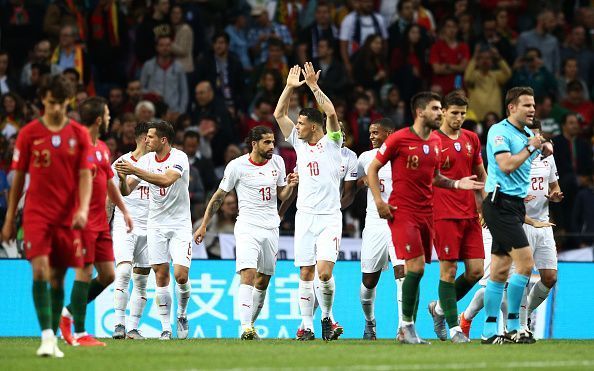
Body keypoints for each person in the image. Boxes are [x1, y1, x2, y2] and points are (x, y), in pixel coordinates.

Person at [366, 91, 483, 344]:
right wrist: (379, 201)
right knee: (415, 268)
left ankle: (409, 328)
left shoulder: (435, 142)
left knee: (417, 272)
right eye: (436, 108)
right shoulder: (399, 139)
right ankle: (407, 327)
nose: (440, 113)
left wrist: (457, 184)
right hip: (403, 212)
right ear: (420, 112)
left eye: (441, 109)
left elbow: (436, 178)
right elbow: (372, 168)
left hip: (427, 213)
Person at [1, 75, 92, 357]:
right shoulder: (29, 133)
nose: (55, 109)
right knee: (39, 269)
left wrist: (83, 208)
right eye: (50, 103)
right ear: (43, 100)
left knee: (57, 278)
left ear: (69, 102)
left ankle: (52, 337)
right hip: (36, 213)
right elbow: (17, 180)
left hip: (67, 216)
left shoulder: (79, 134)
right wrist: (9, 218)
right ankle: (47, 337)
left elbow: (85, 174)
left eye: (61, 104)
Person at [194, 126, 298, 339]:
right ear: (254, 144)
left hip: (270, 227)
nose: (271, 146)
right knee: (248, 274)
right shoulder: (237, 166)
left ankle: (250, 323)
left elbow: (282, 194)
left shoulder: (277, 162)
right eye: (267, 142)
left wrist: (291, 186)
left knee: (263, 280)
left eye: (272, 142)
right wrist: (204, 224)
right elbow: (218, 197)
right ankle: (245, 327)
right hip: (247, 227)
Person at [273, 63, 343, 341]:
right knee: (306, 271)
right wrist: (290, 87)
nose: (296, 127)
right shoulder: (299, 144)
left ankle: (326, 317)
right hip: (304, 217)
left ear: (314, 126)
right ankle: (307, 326)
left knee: (324, 273)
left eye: (300, 123)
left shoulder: (333, 142)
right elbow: (279, 113)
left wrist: (313, 85)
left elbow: (332, 113)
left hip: (329, 218)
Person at [480, 86, 553, 344]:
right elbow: (506, 165)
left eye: (533, 105)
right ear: (512, 107)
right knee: (525, 263)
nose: (533, 109)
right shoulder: (499, 131)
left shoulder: (524, 133)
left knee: (500, 271)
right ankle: (513, 326)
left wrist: (543, 146)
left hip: (514, 206)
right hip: (499, 204)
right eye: (527, 105)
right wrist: (533, 146)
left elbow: (537, 146)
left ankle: (489, 332)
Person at [60, 97, 133, 347]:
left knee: (108, 275)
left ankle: (67, 313)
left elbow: (109, 181)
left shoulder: (101, 147)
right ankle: (79, 334)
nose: (111, 118)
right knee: (84, 271)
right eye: (108, 114)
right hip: (81, 222)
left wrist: (123, 210)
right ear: (99, 119)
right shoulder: (75, 147)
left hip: (101, 222)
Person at [115, 120, 193, 340]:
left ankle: (182, 313)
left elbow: (166, 180)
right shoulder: (147, 160)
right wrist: (123, 178)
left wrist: (135, 169)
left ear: (163, 140)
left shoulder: (179, 158)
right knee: (160, 274)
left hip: (179, 224)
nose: (145, 140)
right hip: (156, 224)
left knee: (180, 275)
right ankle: (166, 328)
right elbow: (127, 191)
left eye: (150, 137)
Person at [426, 91, 487, 343]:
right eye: (454, 113)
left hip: (471, 215)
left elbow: (480, 175)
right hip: (443, 214)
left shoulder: (472, 138)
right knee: (448, 270)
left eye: (463, 114)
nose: (459, 118)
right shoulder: (431, 140)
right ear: (443, 112)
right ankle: (454, 329)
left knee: (476, 271)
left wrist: (483, 207)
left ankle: (439, 308)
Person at [356, 118, 405, 340]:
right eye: (370, 133)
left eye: (376, 133)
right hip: (374, 224)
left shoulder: (404, 157)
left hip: (399, 223)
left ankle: (404, 327)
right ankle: (369, 322)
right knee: (368, 282)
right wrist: (364, 181)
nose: (371, 136)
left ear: (390, 133)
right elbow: (355, 182)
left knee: (402, 275)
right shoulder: (365, 158)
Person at [519, 119, 563, 340]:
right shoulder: (514, 158)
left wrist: (555, 196)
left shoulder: (548, 158)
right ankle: (520, 325)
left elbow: (555, 187)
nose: (535, 140)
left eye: (538, 136)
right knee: (522, 278)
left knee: (549, 277)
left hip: (544, 223)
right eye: (530, 136)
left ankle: (526, 315)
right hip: (520, 224)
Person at [111, 122, 152, 340]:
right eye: (152, 136)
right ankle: (119, 324)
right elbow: (111, 198)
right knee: (124, 271)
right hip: (125, 226)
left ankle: (133, 328)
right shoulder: (120, 163)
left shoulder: (158, 165)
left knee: (142, 280)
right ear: (143, 138)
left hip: (150, 227)